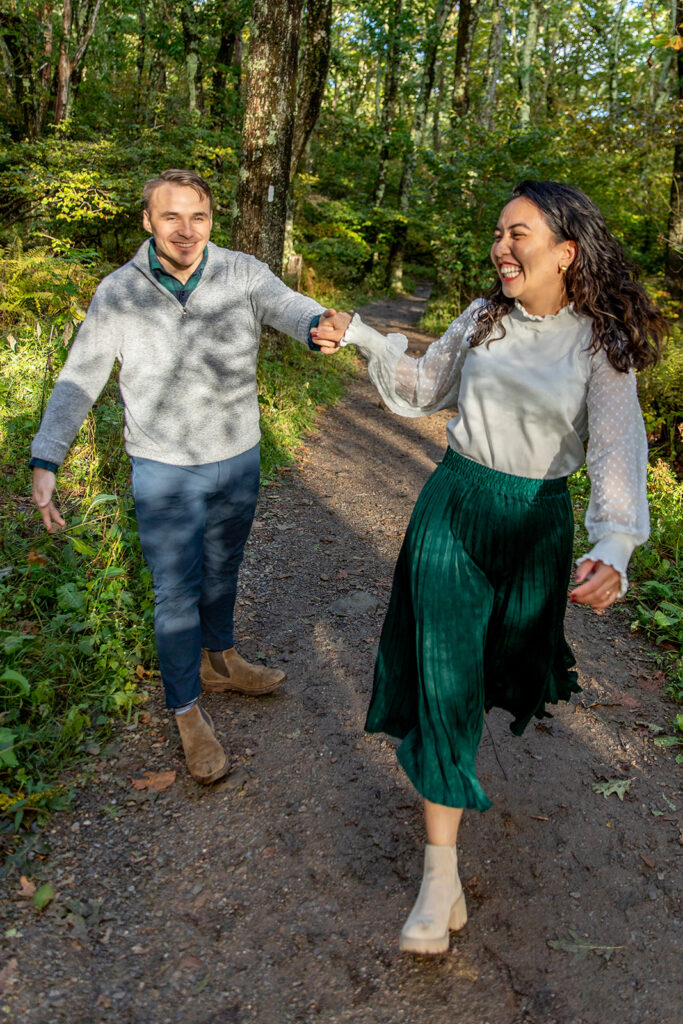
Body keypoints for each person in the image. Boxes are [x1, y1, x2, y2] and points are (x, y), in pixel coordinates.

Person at [312, 180, 666, 954]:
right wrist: (367, 338)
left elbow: (615, 453)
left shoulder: (598, 346)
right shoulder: (482, 319)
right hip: (454, 505)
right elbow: (421, 389)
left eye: (518, 235)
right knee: (442, 673)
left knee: (484, 678)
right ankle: (438, 875)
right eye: (498, 235)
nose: (501, 249)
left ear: (565, 250)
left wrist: (613, 549)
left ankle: (444, 853)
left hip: (535, 522)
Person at [31, 168, 340, 785]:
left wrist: (315, 323)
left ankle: (221, 659)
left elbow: (287, 304)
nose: (185, 230)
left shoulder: (242, 271)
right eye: (170, 216)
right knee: (175, 591)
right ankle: (186, 709)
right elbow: (79, 376)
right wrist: (47, 456)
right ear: (147, 221)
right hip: (164, 470)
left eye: (197, 216)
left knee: (224, 568)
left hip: (238, 457)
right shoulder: (119, 291)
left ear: (210, 220)